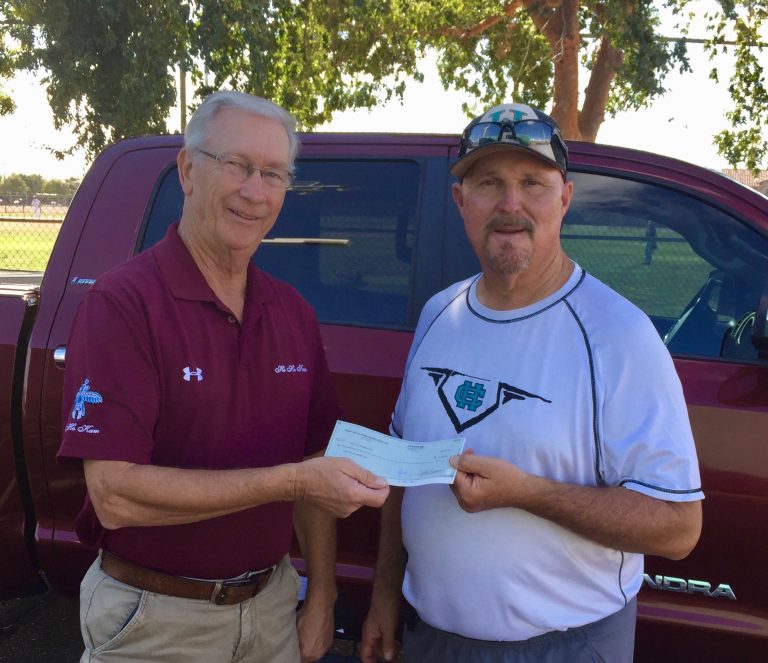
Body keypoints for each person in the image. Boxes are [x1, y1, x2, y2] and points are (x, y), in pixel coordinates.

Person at [360, 103, 703, 663]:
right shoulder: (437, 315)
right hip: (429, 638)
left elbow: (677, 527)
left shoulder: (617, 334)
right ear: (460, 201)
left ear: (564, 198)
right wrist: (383, 596)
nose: (510, 204)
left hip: (565, 645)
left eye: (532, 183)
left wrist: (529, 494)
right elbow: (405, 472)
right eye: (489, 182)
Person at [58, 90, 390, 663]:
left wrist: (323, 595)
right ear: (188, 170)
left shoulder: (291, 313)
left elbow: (317, 464)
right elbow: (113, 495)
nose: (254, 191)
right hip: (156, 622)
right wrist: (290, 482)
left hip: (272, 610)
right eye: (235, 165)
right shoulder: (125, 303)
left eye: (273, 173)